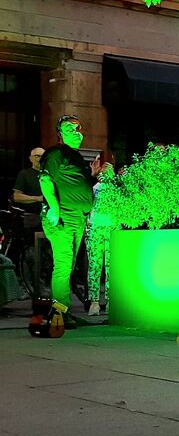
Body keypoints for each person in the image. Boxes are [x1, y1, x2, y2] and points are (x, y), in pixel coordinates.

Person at [39, 115, 102, 329]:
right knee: (64, 265)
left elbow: (74, 183)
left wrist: (92, 175)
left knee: (69, 266)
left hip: (76, 218)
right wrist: (54, 209)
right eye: (69, 128)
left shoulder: (74, 157)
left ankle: (64, 311)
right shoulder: (56, 153)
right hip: (63, 218)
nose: (76, 132)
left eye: (78, 128)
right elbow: (45, 179)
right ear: (60, 133)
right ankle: (59, 314)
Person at [86, 153, 115, 316]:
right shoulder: (91, 186)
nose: (103, 166)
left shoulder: (117, 186)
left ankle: (111, 301)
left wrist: (114, 179)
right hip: (94, 228)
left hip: (112, 229)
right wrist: (92, 176)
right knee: (94, 265)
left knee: (111, 266)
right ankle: (94, 302)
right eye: (99, 161)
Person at [12, 147, 45, 230]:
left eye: (43, 156)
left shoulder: (52, 175)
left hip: (51, 217)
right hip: (32, 217)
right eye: (37, 156)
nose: (40, 159)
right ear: (31, 158)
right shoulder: (25, 174)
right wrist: (38, 198)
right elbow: (16, 197)